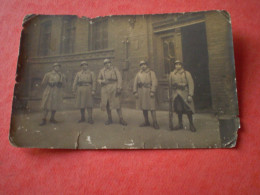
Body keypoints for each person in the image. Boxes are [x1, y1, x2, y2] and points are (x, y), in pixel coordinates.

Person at [168, 60, 196, 132]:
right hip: (176, 94)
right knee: (179, 109)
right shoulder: (172, 74)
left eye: (179, 64)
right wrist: (170, 95)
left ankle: (191, 124)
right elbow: (170, 86)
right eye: (176, 64)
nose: (177, 66)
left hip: (185, 93)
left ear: (182, 65)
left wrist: (190, 94)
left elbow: (191, 84)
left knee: (188, 109)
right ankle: (180, 124)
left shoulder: (186, 73)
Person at [97, 59, 127, 126]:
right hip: (105, 88)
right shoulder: (102, 71)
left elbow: (119, 79)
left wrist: (119, 87)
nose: (107, 64)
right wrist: (101, 81)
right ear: (104, 65)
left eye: (108, 63)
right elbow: (98, 79)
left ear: (110, 63)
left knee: (117, 104)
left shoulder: (115, 69)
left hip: (114, 87)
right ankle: (110, 119)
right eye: (105, 63)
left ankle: (121, 119)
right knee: (107, 104)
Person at [133, 60, 160, 129]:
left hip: (149, 91)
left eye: (144, 64)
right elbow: (135, 83)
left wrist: (152, 91)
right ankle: (146, 121)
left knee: (152, 107)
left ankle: (155, 122)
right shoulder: (138, 74)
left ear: (147, 65)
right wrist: (135, 92)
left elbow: (154, 82)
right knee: (144, 108)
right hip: (141, 92)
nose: (143, 66)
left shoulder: (151, 73)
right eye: (141, 65)